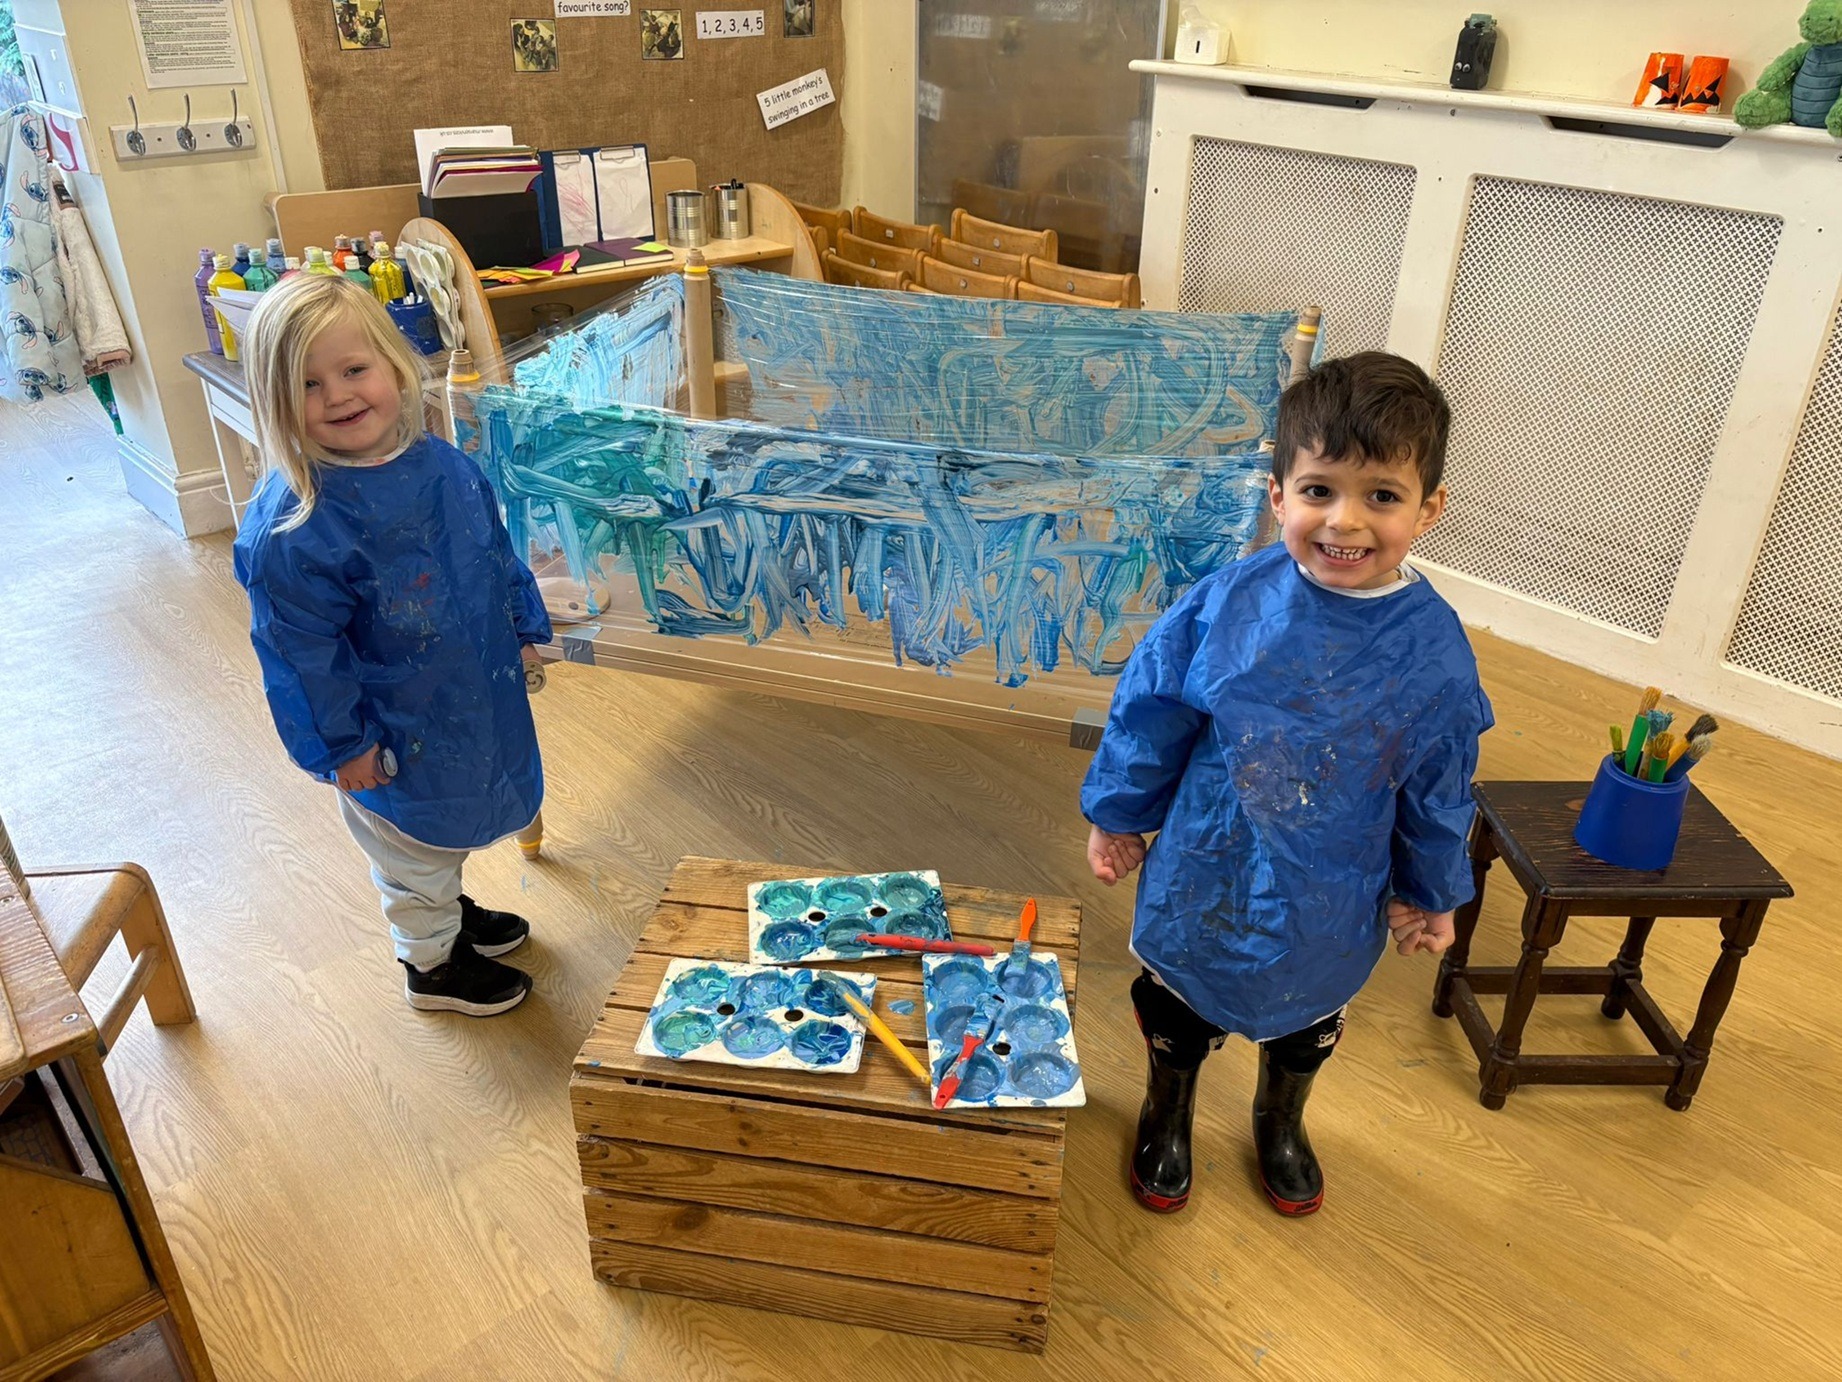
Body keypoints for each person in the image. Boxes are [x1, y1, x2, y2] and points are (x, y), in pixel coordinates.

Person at [1081, 352, 1492, 1216]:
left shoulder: (1434, 651)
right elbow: (1152, 710)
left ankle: (1281, 1114)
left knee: (1308, 1009)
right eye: (1318, 490)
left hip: (1331, 877)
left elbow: (1439, 784)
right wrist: (1121, 815)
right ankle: (1169, 1106)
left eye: (1381, 495)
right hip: (1210, 853)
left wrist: (1431, 890)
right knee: (1181, 999)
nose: (1345, 522)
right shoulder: (1227, 602)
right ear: (1278, 496)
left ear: (1430, 508)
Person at [233, 274, 552, 1017]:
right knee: (410, 850)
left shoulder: (441, 465)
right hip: (387, 726)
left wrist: (524, 630)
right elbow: (299, 656)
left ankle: (448, 911)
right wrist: (342, 746)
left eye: (353, 370)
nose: (338, 395)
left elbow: (492, 551)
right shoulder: (294, 528)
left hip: (468, 694)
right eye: (307, 385)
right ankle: (431, 965)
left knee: (451, 824)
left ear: (395, 364)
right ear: (274, 402)